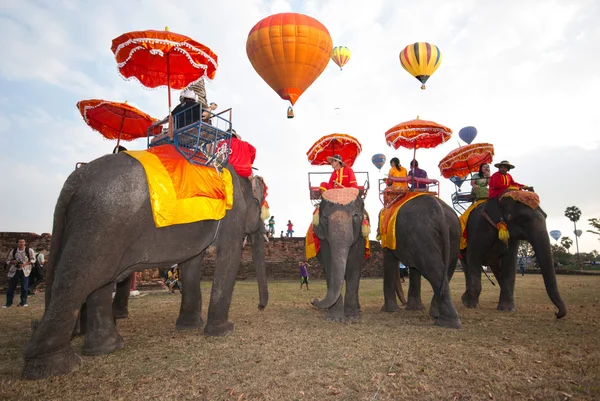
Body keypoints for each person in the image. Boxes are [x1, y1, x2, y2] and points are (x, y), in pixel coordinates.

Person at [484, 160, 531, 241]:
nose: (502, 169)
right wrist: (513, 188)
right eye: (501, 167)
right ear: (499, 168)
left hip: (506, 192)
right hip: (496, 194)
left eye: (504, 167)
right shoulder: (495, 175)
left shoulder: (509, 176)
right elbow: (498, 185)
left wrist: (524, 186)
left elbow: (513, 183)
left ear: (508, 169)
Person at [4, 239, 36, 308]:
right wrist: (14, 262)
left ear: (25, 243)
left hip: (25, 271)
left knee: (24, 287)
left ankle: (23, 302)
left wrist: (25, 264)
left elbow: (33, 260)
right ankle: (8, 303)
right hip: (14, 271)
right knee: (11, 287)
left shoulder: (29, 250)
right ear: (17, 243)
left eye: (23, 242)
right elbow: (8, 261)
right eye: (20, 242)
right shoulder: (14, 251)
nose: (21, 243)